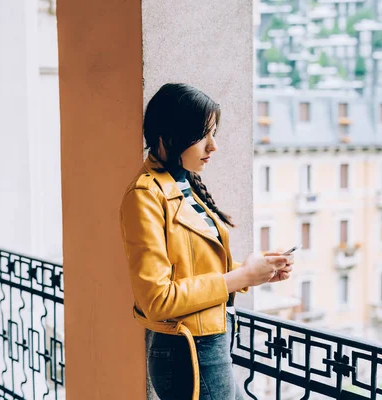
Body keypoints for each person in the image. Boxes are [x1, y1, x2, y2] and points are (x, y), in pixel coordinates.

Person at [119, 83, 294, 400]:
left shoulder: (183, 183)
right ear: (168, 135)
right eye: (202, 135)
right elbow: (157, 299)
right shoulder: (144, 196)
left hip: (209, 342)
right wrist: (240, 277)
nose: (213, 146)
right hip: (187, 350)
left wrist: (255, 272)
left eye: (214, 133)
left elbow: (191, 271)